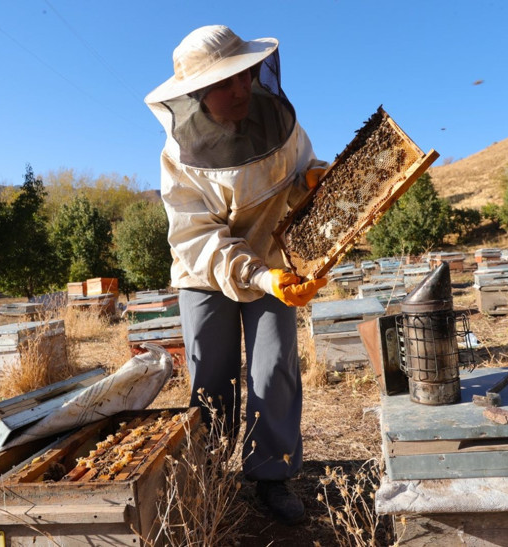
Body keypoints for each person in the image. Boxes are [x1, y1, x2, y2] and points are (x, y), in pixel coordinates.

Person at [145, 25, 328, 525]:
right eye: (227, 83)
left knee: (274, 369)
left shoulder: (281, 125)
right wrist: (261, 278)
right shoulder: (177, 160)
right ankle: (208, 472)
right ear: (197, 95)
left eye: (245, 76)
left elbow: (298, 178)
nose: (242, 88)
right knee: (211, 377)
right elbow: (199, 239)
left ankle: (271, 474)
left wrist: (311, 181)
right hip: (206, 273)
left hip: (271, 262)